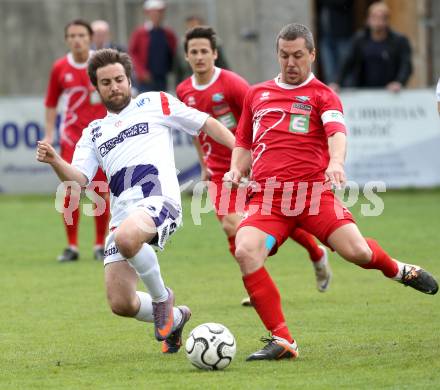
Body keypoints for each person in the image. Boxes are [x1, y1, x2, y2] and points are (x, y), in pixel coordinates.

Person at [224, 23, 438, 362]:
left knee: (357, 253)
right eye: (283, 55)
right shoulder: (257, 94)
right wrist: (237, 168)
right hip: (268, 199)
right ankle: (283, 340)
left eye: (297, 56)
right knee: (246, 251)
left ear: (312, 55)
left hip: (313, 195)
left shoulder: (323, 94)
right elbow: (244, 141)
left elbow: (337, 132)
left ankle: (399, 270)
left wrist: (336, 162)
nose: (290, 62)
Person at [37, 48, 235, 354]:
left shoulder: (155, 102)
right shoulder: (93, 132)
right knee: (121, 302)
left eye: (119, 79)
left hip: (161, 201)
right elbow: (79, 180)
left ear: (129, 79)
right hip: (122, 214)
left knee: (127, 238)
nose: (114, 86)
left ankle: (162, 300)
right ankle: (178, 316)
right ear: (97, 87)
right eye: (106, 82)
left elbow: (206, 123)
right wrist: (54, 160)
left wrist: (240, 152)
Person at [176, 26, 332, 307]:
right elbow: (196, 131)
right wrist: (203, 164)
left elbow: (258, 120)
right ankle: (257, 281)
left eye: (204, 51)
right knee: (231, 225)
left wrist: (254, 159)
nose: (199, 57)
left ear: (214, 54)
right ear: (186, 57)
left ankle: (315, 253)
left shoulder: (233, 84)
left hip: (249, 168)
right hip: (218, 174)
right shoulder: (184, 90)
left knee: (273, 218)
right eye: (193, 52)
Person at [43, 19, 110, 262]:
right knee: (70, 189)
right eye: (71, 36)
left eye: (81, 35)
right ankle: (72, 246)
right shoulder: (60, 67)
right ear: (66, 40)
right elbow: (51, 102)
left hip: (101, 137)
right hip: (72, 138)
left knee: (100, 190)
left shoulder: (102, 63)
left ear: (90, 37)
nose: (77, 40)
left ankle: (100, 244)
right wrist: (49, 133)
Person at [330, 1, 412, 92]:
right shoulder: (359, 40)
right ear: (368, 19)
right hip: (363, 91)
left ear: (388, 21)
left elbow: (406, 65)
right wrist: (336, 82)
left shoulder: (399, 41)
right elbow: (346, 62)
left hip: (390, 92)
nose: (378, 22)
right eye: (375, 18)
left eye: (382, 18)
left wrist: (399, 82)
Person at [128, 0, 177, 92]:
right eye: (153, 12)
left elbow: (172, 52)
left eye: (159, 12)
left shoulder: (168, 33)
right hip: (146, 79)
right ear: (147, 14)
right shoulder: (140, 33)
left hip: (162, 78)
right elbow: (133, 53)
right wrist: (141, 72)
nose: (156, 15)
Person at [316, 0, 353, 84]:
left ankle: (348, 96)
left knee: (345, 71)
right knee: (329, 74)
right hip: (325, 36)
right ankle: (332, 95)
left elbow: (343, 3)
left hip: (342, 36)